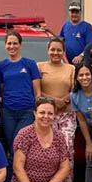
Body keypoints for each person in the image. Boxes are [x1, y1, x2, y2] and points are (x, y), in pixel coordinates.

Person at [10, 99, 77, 182]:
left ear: (54, 116)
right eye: (42, 112)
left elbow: (65, 168)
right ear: (35, 113)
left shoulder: (58, 136)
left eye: (50, 113)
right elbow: (18, 167)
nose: (46, 116)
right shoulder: (25, 134)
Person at [0, 32, 41, 156]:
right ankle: (12, 173)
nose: (12, 46)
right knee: (11, 144)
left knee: (20, 142)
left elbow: (37, 90)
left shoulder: (30, 64)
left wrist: (37, 109)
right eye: (9, 43)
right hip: (8, 111)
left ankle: (22, 172)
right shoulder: (0, 66)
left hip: (27, 111)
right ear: (5, 45)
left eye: (15, 43)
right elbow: (0, 89)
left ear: (20, 45)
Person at [37, 38, 77, 167]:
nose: (55, 53)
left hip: (66, 114)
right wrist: (54, 101)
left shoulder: (71, 68)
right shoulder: (39, 66)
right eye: (52, 49)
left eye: (59, 50)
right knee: (48, 149)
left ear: (63, 52)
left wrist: (64, 100)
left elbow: (75, 90)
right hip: (46, 116)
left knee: (67, 147)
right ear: (47, 51)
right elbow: (37, 90)